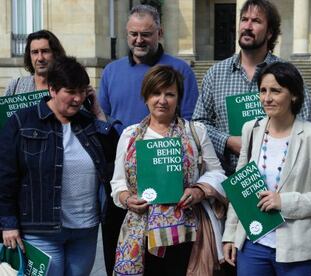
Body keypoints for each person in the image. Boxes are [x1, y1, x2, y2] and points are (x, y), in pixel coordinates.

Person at [0, 56, 119, 275]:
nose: (77, 98)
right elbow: (6, 177)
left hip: (85, 228)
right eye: (71, 91)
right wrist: (8, 224)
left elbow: (115, 157)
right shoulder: (22, 122)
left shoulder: (90, 123)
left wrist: (99, 114)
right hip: (40, 229)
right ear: (53, 90)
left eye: (82, 91)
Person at [222, 62, 311, 276]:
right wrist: (230, 234)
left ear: (293, 95)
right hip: (253, 242)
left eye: (275, 91)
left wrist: (284, 202)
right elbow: (240, 185)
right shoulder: (251, 129)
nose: (267, 98)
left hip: (298, 248)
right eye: (263, 91)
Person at [110, 65, 227, 276]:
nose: (162, 100)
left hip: (186, 233)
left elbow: (217, 173)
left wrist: (199, 191)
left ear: (178, 98)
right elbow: (117, 183)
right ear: (146, 97)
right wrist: (127, 199)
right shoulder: (130, 136)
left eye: (169, 94)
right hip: (141, 232)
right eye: (156, 93)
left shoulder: (195, 132)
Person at [192, 0, 311, 177]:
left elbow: (305, 124)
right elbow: (199, 124)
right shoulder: (215, 74)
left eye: (256, 21)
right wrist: (228, 142)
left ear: (270, 32)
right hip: (226, 180)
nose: (247, 26)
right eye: (244, 19)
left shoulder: (288, 74)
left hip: (277, 180)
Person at [99, 4, 198, 134]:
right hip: (120, 150)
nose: (139, 40)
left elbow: (189, 119)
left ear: (160, 33)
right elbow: (102, 117)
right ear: (127, 34)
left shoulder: (181, 70)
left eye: (146, 34)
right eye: (134, 34)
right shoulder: (111, 71)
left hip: (164, 150)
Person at [5, 29, 66, 95]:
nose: (40, 58)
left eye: (45, 51)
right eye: (35, 52)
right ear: (29, 56)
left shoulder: (69, 87)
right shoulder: (15, 87)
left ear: (55, 54)